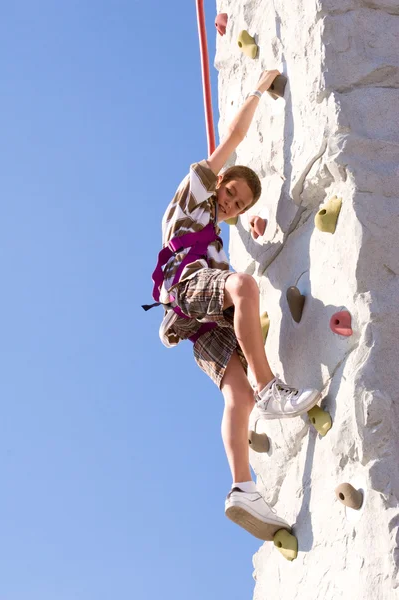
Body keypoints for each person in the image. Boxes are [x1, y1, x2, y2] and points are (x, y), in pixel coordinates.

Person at [152, 70, 321, 541]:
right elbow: (236, 136)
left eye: (237, 203)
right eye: (229, 191)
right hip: (189, 288)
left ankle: (242, 487)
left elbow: (226, 240)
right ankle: (270, 387)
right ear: (219, 181)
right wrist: (258, 89)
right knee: (243, 287)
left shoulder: (218, 236)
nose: (229, 202)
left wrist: (247, 225)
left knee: (236, 395)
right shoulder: (195, 194)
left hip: (198, 323)